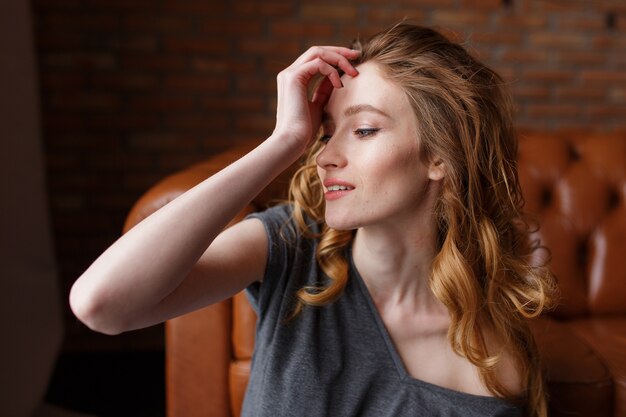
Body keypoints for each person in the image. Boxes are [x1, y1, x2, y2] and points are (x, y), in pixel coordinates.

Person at [70, 23, 557, 417]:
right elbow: (102, 304)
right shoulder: (290, 245)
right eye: (326, 133)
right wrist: (283, 142)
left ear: (441, 157)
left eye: (364, 129)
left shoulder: (494, 357)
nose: (326, 156)